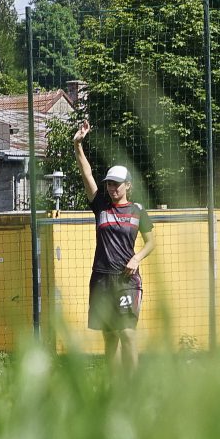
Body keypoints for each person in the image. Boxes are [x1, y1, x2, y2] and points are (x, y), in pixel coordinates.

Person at [73, 119, 150, 369]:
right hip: (101, 279)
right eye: (109, 183)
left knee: (127, 333)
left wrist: (137, 258)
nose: (112, 187)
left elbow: (152, 242)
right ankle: (114, 391)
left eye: (117, 183)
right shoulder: (100, 206)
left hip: (126, 280)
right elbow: (87, 173)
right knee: (110, 338)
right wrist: (78, 145)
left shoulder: (138, 211)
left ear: (128, 185)